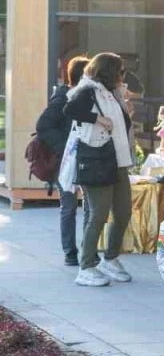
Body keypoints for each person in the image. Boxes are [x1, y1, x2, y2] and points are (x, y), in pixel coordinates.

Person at [63, 53, 136, 287]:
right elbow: (70, 110)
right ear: (109, 72)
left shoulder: (110, 93)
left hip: (117, 161)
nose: (123, 76)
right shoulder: (88, 90)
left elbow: (121, 124)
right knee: (98, 214)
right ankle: (86, 267)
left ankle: (110, 258)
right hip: (97, 160)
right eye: (120, 71)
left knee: (123, 211)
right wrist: (97, 119)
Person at [37, 55, 89, 265]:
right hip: (66, 160)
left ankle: (88, 251)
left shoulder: (84, 97)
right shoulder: (63, 98)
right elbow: (43, 126)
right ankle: (70, 252)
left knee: (88, 207)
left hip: (85, 159)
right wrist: (64, 148)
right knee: (68, 206)